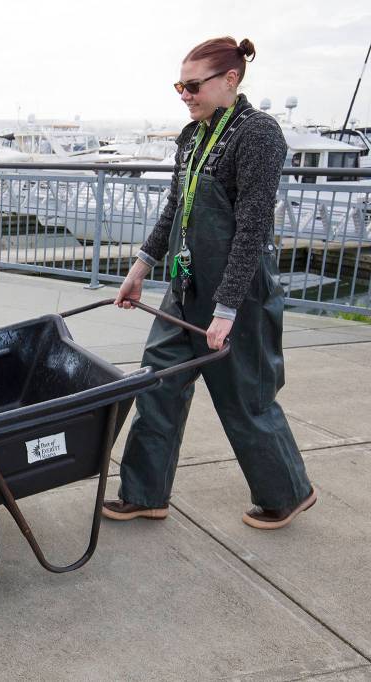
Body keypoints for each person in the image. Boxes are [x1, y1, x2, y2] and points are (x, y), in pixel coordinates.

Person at [102, 36, 316, 530]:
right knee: (158, 382)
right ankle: (144, 493)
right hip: (185, 285)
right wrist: (141, 268)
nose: (185, 94)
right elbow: (176, 209)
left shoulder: (258, 133)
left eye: (193, 85)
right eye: (180, 85)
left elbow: (253, 226)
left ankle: (287, 493)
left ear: (230, 80)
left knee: (243, 397)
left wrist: (226, 308)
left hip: (236, 292)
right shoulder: (192, 136)